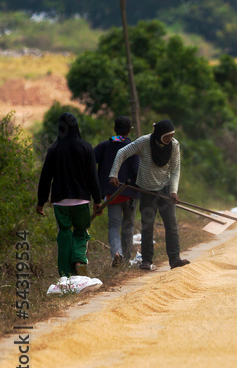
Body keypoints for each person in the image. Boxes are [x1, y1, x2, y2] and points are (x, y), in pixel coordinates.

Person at [109, 119, 189, 270]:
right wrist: (113, 174)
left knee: (171, 225)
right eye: (167, 136)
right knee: (147, 226)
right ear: (158, 134)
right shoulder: (144, 142)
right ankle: (147, 260)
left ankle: (175, 259)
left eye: (171, 136)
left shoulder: (174, 145)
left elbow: (175, 169)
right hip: (146, 191)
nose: (169, 139)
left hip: (165, 190)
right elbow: (122, 152)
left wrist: (173, 191)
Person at [35, 112, 103, 278]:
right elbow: (93, 176)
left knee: (64, 234)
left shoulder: (54, 149)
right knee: (81, 231)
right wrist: (97, 200)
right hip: (81, 200)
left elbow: (45, 177)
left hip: (61, 201)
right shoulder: (85, 147)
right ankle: (79, 261)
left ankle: (65, 274)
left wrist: (41, 202)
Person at [94, 116, 140, 267]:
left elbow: (89, 162)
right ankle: (126, 259)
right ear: (130, 130)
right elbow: (137, 170)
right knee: (128, 226)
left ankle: (116, 254)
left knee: (114, 225)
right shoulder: (134, 147)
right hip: (131, 193)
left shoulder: (103, 146)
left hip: (112, 195)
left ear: (114, 129)